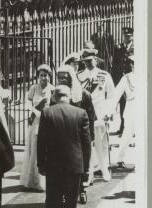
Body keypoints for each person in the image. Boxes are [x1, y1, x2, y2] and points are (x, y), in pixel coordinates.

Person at [37, 85, 91, 208]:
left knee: (53, 201)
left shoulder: (47, 113)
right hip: (75, 166)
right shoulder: (81, 113)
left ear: (55, 97)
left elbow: (41, 142)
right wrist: (86, 167)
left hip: (53, 165)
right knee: (71, 202)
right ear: (69, 97)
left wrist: (40, 164)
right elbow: (86, 145)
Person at [56, 64, 96, 204]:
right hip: (61, 137)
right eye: (59, 78)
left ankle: (82, 190)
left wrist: (91, 137)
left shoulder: (84, 95)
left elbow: (90, 118)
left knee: (82, 165)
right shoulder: (55, 95)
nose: (62, 81)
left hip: (79, 137)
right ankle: (63, 193)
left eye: (64, 78)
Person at [77, 48, 115, 182]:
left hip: (99, 114)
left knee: (101, 145)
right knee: (87, 147)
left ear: (96, 59)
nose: (88, 63)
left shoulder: (104, 75)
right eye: (85, 61)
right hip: (85, 116)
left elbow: (111, 96)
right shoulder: (79, 76)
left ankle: (105, 170)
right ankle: (89, 175)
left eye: (90, 60)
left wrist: (108, 113)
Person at [20, 64, 54, 191]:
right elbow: (27, 101)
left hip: (47, 123)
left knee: (45, 150)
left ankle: (43, 181)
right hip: (36, 121)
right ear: (38, 77)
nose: (44, 78)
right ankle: (33, 180)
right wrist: (34, 110)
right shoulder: (34, 88)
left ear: (49, 76)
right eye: (41, 75)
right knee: (34, 149)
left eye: (46, 75)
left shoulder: (53, 89)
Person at [107, 56, 135, 169]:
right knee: (127, 134)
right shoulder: (126, 78)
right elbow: (115, 95)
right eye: (133, 62)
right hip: (132, 107)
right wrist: (109, 111)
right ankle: (120, 159)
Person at [111, 27, 134, 135]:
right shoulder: (118, 48)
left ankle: (133, 128)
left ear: (132, 36)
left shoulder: (135, 47)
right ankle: (122, 126)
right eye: (125, 36)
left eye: (128, 36)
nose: (126, 38)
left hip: (131, 80)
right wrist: (114, 80)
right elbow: (114, 65)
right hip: (121, 80)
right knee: (122, 103)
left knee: (131, 103)